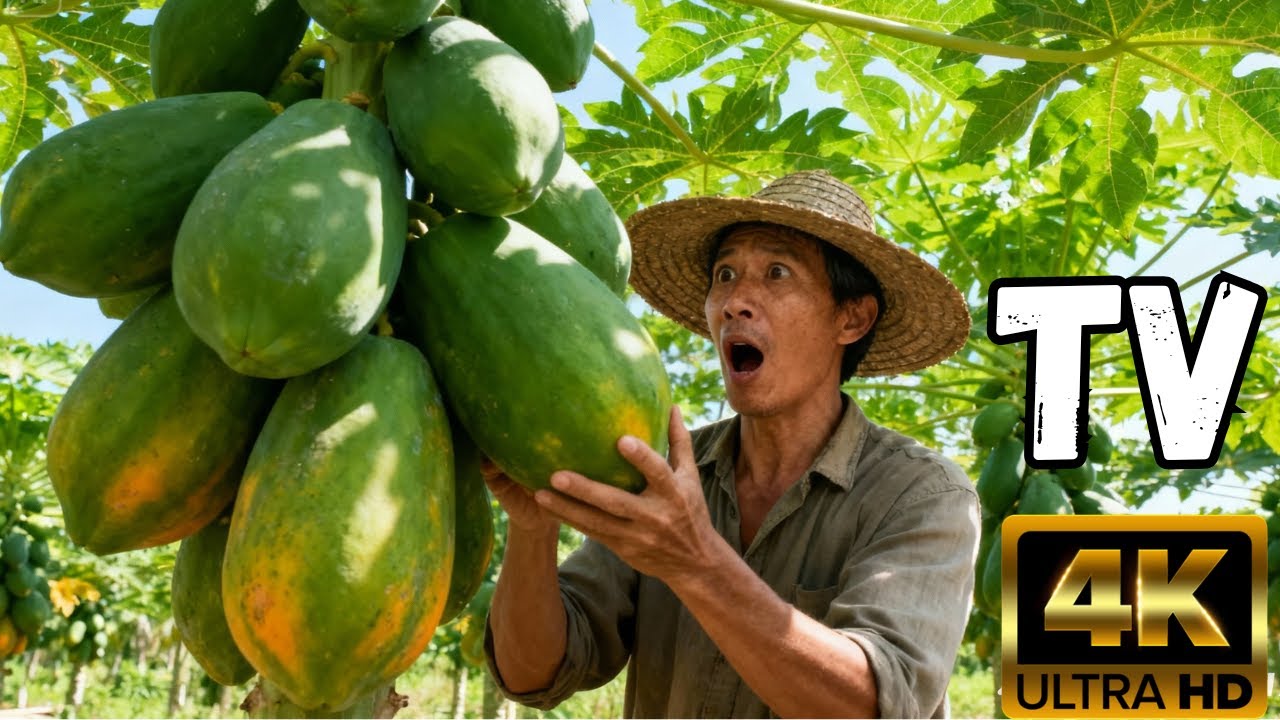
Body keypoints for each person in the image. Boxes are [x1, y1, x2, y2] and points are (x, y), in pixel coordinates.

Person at [481, 170, 980, 718]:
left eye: (776, 272)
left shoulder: (922, 495)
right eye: (725, 274)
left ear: (851, 318)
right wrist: (533, 531)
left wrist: (695, 561)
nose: (736, 301)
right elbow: (534, 673)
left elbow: (874, 706)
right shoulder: (668, 472)